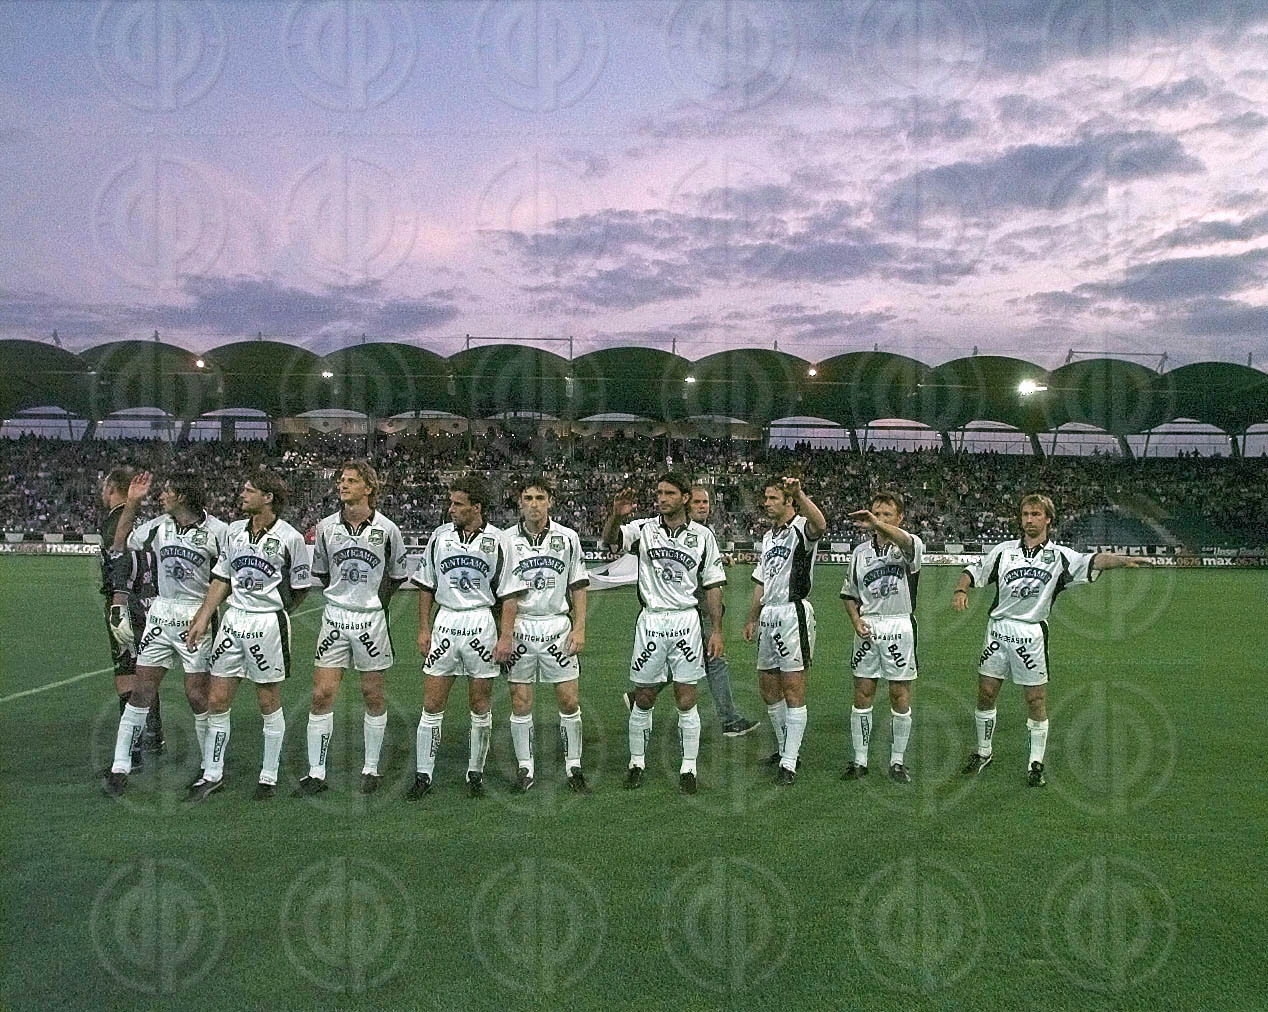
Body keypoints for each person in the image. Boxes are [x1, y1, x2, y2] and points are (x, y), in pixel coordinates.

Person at [953, 493, 1153, 786]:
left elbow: (1093, 560)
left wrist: (1122, 560)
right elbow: (974, 571)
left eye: (1036, 514)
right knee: (986, 693)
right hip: (998, 630)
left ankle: (1036, 763)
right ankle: (984, 752)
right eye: (1025, 514)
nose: (1029, 520)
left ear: (1048, 519)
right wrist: (961, 590)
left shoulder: (1060, 556)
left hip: (1032, 634)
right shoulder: (1004, 551)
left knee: (1035, 699)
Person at [184, 471, 312, 800]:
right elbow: (222, 578)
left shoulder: (290, 538)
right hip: (233, 621)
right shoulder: (234, 532)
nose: (242, 494)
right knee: (217, 700)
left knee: (268, 702)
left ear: (268, 498)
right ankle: (212, 774)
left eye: (249, 490)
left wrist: (274, 612)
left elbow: (300, 588)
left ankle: (268, 776)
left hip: (267, 624)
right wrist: (204, 616)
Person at [101, 472, 229, 796]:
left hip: (195, 615)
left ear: (182, 496)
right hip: (161, 613)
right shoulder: (159, 526)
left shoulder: (218, 532)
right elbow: (120, 542)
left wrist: (207, 614)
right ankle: (120, 767)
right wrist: (133, 503)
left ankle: (211, 769)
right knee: (141, 690)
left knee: (196, 695)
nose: (161, 496)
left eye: (167, 491)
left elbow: (226, 578)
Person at [602, 472, 725, 794]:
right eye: (659, 493)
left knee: (686, 697)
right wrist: (616, 515)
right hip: (652, 621)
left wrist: (716, 630)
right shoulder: (644, 529)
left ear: (684, 498)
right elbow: (610, 542)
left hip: (687, 621)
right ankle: (636, 763)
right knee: (643, 696)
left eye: (669, 493)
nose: (662, 498)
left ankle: (689, 768)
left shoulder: (703, 536)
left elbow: (713, 586)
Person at [407, 476, 522, 799]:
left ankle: (475, 773)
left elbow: (509, 594)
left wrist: (506, 637)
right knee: (432, 703)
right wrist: (423, 628)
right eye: (451, 503)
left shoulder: (499, 541)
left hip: (480, 623)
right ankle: (423, 774)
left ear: (477, 507)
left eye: (458, 504)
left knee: (480, 703)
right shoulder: (439, 537)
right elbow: (426, 586)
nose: (451, 509)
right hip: (446, 622)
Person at [297, 460, 408, 797]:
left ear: (368, 488)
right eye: (341, 480)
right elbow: (323, 574)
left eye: (351, 480)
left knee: (372, 694)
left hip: (370, 620)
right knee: (321, 694)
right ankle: (316, 772)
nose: (342, 485)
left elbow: (396, 577)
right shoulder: (326, 527)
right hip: (334, 617)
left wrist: (371, 604)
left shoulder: (388, 530)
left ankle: (371, 767)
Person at [620, 485, 758, 737]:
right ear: (686, 503)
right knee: (713, 662)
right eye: (697, 502)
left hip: (698, 613)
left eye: (705, 502)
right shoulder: (663, 532)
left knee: (688, 662)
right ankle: (729, 720)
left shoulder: (703, 535)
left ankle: (639, 696)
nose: (702, 507)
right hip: (690, 614)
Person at [503, 477, 589, 793]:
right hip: (521, 627)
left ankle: (574, 766)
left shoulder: (568, 538)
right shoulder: (505, 540)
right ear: (520, 503)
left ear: (550, 501)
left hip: (557, 626)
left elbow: (578, 585)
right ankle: (525, 767)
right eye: (528, 498)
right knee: (520, 700)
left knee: (569, 699)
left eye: (540, 498)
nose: (534, 504)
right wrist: (504, 633)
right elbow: (502, 592)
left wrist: (579, 627)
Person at [742, 477, 826, 785]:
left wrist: (800, 493)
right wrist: (752, 618)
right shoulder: (768, 537)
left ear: (788, 501)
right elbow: (762, 581)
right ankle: (783, 749)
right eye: (765, 498)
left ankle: (789, 762)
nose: (766, 503)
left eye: (773, 498)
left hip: (793, 614)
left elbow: (821, 524)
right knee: (768, 688)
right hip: (769, 615)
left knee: (793, 689)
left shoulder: (802, 528)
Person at [840, 491, 922, 784]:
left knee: (899, 694)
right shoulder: (859, 553)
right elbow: (849, 594)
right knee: (863, 693)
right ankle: (860, 760)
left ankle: (897, 761)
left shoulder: (909, 545)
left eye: (887, 514)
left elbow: (906, 543)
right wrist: (855, 620)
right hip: (869, 626)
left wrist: (877, 524)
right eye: (877, 513)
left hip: (899, 625)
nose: (880, 519)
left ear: (900, 518)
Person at [97, 466, 157, 768]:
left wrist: (117, 601)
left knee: (126, 673)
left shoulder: (116, 520)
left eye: (104, 487)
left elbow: (117, 558)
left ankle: (133, 748)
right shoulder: (144, 521)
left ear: (112, 489)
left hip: (125, 604)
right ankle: (155, 736)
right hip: (150, 602)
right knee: (147, 668)